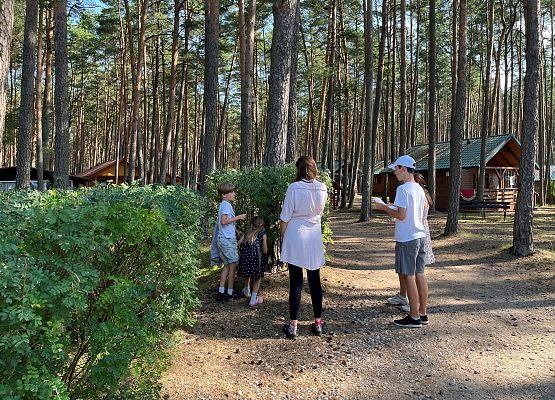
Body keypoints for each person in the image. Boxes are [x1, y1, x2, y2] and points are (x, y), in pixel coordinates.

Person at [373, 155, 429, 328]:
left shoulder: (403, 189)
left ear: (403, 169)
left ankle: (413, 317)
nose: (394, 173)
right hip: (420, 235)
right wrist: (390, 206)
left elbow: (401, 215)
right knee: (420, 274)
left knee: (409, 276)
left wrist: (383, 208)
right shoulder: (418, 188)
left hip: (407, 238)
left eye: (396, 169)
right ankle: (422, 313)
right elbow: (410, 211)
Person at [279, 156, 328, 339]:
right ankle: (318, 323)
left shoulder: (294, 187)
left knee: (296, 281)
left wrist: (283, 235)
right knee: (315, 279)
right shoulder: (322, 187)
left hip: (296, 233)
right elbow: (320, 212)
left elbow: (285, 216)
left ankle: (293, 326)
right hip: (314, 236)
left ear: (298, 169)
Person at [388, 172, 435, 311]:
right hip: (419, 233)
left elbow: (404, 215)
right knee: (412, 271)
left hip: (412, 235)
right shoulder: (419, 192)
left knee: (411, 273)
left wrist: (387, 208)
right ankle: (418, 308)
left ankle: (415, 309)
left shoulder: (415, 193)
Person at [210, 182, 246, 302]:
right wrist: (239, 217)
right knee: (233, 265)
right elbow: (224, 221)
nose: (234, 193)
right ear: (224, 194)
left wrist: (236, 229)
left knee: (227, 265)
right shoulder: (225, 205)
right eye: (231, 192)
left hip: (225, 237)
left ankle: (221, 292)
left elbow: (224, 223)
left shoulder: (224, 204)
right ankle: (229, 293)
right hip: (227, 239)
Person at [237, 216, 268, 307]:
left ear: (251, 224)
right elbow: (265, 250)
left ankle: (247, 291)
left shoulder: (247, 233)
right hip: (256, 257)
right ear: (262, 225)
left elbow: (239, 243)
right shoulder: (263, 233)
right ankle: (253, 300)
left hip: (245, 258)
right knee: (257, 277)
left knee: (247, 273)